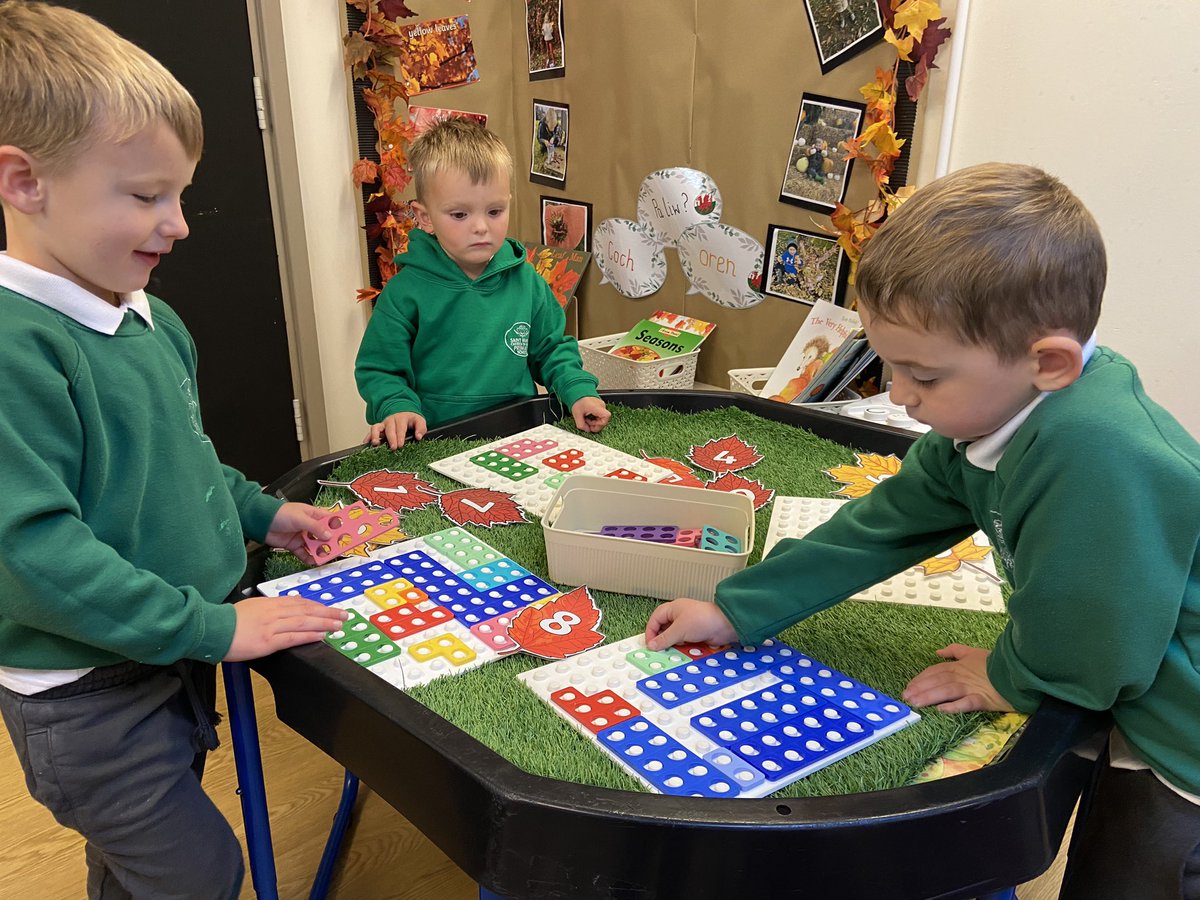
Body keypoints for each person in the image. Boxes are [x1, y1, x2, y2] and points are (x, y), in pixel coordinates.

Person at [645, 163, 1200, 898]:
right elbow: (882, 525)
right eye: (890, 369)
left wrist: (1011, 675)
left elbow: (1097, 633)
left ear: (1050, 363)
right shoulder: (989, 420)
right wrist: (739, 606)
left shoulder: (1100, 452)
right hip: (1141, 711)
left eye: (925, 378)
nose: (901, 398)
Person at [0, 3, 348, 897]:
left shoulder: (152, 318)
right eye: (146, 196)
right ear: (24, 182)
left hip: (163, 658)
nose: (181, 224)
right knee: (199, 874)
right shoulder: (15, 349)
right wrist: (213, 627)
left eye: (180, 194)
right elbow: (34, 554)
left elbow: (186, 467)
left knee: (136, 872)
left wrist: (267, 511)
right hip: (88, 698)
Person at [356, 117, 608, 449]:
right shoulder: (406, 292)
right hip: (432, 440)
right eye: (459, 215)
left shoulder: (527, 281)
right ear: (425, 217)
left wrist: (577, 391)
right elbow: (380, 368)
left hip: (519, 436)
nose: (480, 227)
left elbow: (550, 350)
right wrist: (396, 406)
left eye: (494, 211)